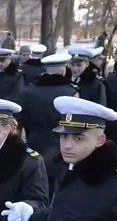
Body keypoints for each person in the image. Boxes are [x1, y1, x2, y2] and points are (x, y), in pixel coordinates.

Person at [17, 52, 78, 198]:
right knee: (62, 187)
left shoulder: (28, 92)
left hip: (35, 143)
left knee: (38, 185)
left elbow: (19, 121)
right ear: (63, 71)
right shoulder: (71, 92)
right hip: (62, 146)